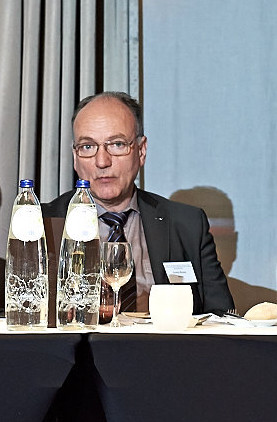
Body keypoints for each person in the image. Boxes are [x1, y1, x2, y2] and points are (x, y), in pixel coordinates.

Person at [42, 92, 235, 315]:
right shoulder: (44, 223)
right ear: (75, 158)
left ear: (141, 151)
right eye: (87, 147)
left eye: (116, 144)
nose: (102, 161)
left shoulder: (186, 224)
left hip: (165, 348)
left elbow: (222, 316)